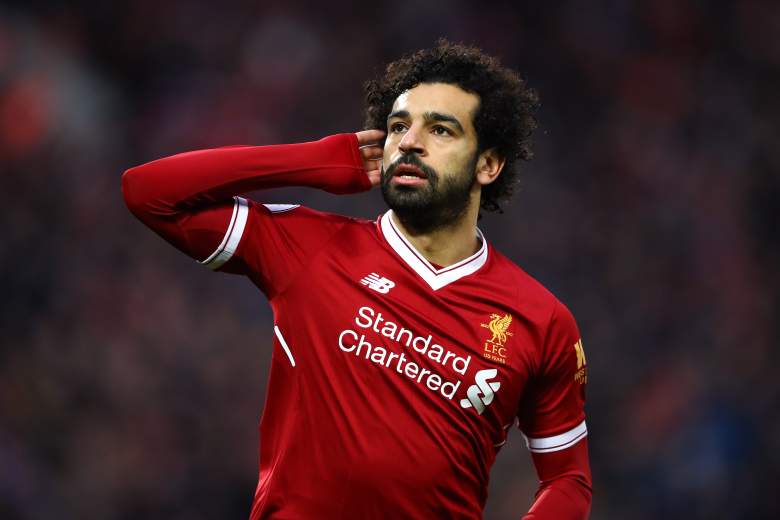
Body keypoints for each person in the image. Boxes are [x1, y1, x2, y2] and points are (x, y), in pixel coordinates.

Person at [122, 39, 592, 519]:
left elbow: (567, 479)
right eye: (397, 126)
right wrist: (311, 161)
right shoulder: (309, 247)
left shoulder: (542, 321)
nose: (409, 141)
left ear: (488, 165)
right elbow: (149, 192)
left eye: (441, 130)